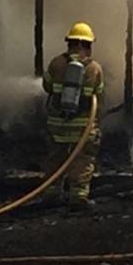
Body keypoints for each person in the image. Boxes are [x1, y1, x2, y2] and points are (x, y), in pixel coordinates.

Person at [42, 21, 105, 208]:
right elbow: (98, 96)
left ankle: (52, 193)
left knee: (55, 158)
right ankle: (78, 196)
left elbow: (47, 87)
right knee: (83, 160)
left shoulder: (56, 63)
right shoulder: (94, 69)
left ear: (69, 43)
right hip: (83, 127)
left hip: (57, 125)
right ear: (88, 45)